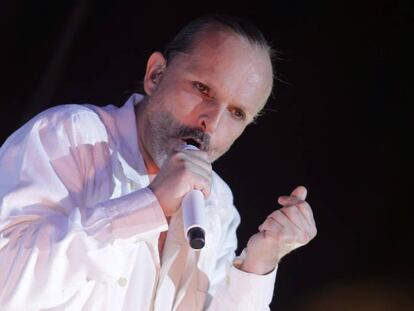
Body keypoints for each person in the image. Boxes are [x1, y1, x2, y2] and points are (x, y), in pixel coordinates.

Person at [0, 15, 317, 310]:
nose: (212, 122)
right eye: (202, 89)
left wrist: (259, 264)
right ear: (156, 75)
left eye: (236, 113)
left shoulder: (218, 205)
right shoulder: (69, 136)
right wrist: (149, 205)